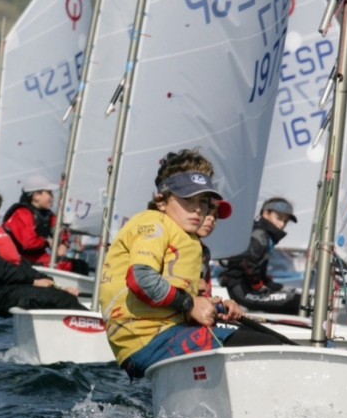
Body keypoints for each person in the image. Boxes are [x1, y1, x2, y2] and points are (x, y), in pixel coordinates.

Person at [99, 149, 279, 380]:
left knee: (253, 336)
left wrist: (215, 307)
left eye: (203, 202)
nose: (197, 209)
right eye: (187, 199)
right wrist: (190, 303)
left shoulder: (186, 238)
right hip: (147, 341)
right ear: (162, 202)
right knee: (267, 346)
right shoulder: (153, 222)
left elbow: (180, 302)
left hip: (166, 335)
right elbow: (141, 279)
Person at [0, 184, 87, 317]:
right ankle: (99, 332)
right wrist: (32, 282)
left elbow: (21, 265)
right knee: (61, 299)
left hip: (9, 288)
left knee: (65, 296)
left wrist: (56, 286)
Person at [217, 197, 302, 315]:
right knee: (298, 302)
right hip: (243, 293)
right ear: (265, 213)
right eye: (278, 218)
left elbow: (254, 265)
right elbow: (246, 262)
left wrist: (270, 284)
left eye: (285, 221)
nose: (282, 224)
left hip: (246, 290)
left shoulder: (262, 233)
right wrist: (258, 285)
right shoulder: (259, 235)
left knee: (296, 298)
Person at [2, 174, 90, 276]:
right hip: (20, 261)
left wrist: (63, 244)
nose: (52, 197)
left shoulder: (49, 215)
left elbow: (62, 231)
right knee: (76, 267)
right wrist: (48, 242)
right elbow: (28, 243)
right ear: (36, 196)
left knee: (80, 265)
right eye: (49, 193)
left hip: (38, 259)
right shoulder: (21, 214)